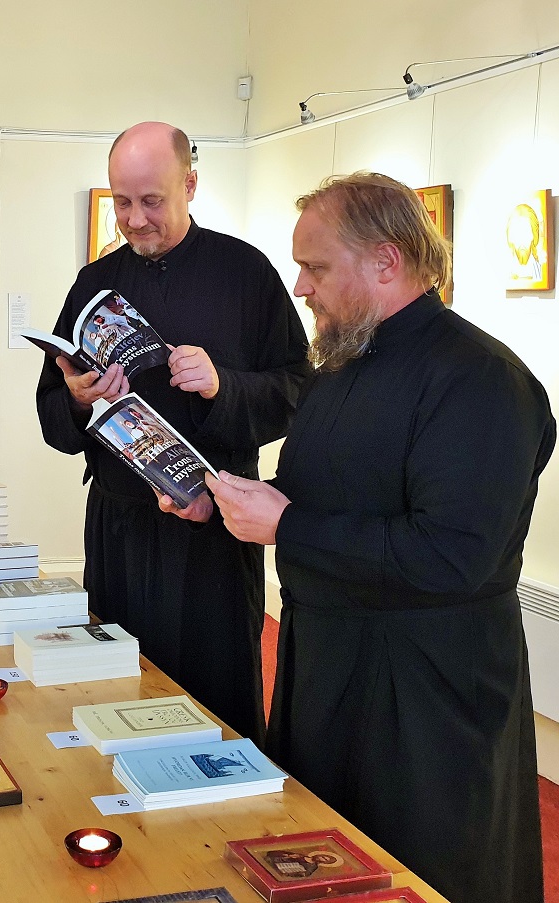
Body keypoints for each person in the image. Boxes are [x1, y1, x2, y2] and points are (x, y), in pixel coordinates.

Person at [208, 172, 554, 903]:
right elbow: (313, 494)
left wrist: (287, 525)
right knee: (320, 861)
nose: (301, 287)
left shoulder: (482, 379)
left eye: (316, 267)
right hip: (326, 667)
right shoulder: (340, 364)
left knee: (420, 873)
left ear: (386, 261)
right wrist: (224, 507)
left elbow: (452, 555)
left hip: (427, 692)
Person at [35, 121, 310, 742]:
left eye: (151, 201)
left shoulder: (246, 273)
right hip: (120, 525)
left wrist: (223, 386)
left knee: (214, 700)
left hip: (213, 528)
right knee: (113, 687)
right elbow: (51, 409)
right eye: (122, 202)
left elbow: (298, 389)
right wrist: (78, 399)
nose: (135, 220)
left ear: (190, 185)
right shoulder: (94, 284)